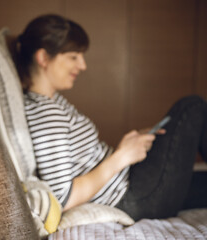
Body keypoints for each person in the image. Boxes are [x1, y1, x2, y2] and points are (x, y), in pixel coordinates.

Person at [14, 14, 207, 221]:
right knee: (191, 107)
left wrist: (130, 148)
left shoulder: (53, 101)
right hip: (131, 198)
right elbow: (63, 198)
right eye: (73, 57)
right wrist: (122, 156)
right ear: (43, 58)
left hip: (129, 181)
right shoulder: (46, 115)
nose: (83, 65)